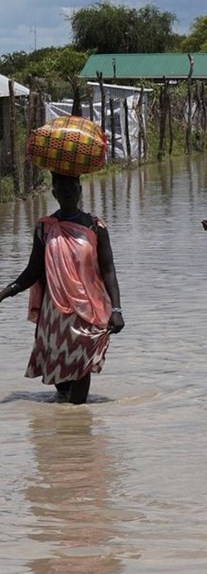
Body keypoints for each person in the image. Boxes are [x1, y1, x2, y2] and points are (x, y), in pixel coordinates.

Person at [0, 173, 125, 403]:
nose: (67, 192)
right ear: (54, 193)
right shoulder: (45, 228)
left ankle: (78, 423)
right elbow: (32, 272)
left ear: (79, 190)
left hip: (87, 311)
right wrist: (5, 292)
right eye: (61, 187)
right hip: (54, 314)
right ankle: (65, 429)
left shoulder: (95, 227)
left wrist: (116, 309)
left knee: (81, 365)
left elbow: (108, 270)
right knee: (60, 376)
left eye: (71, 187)